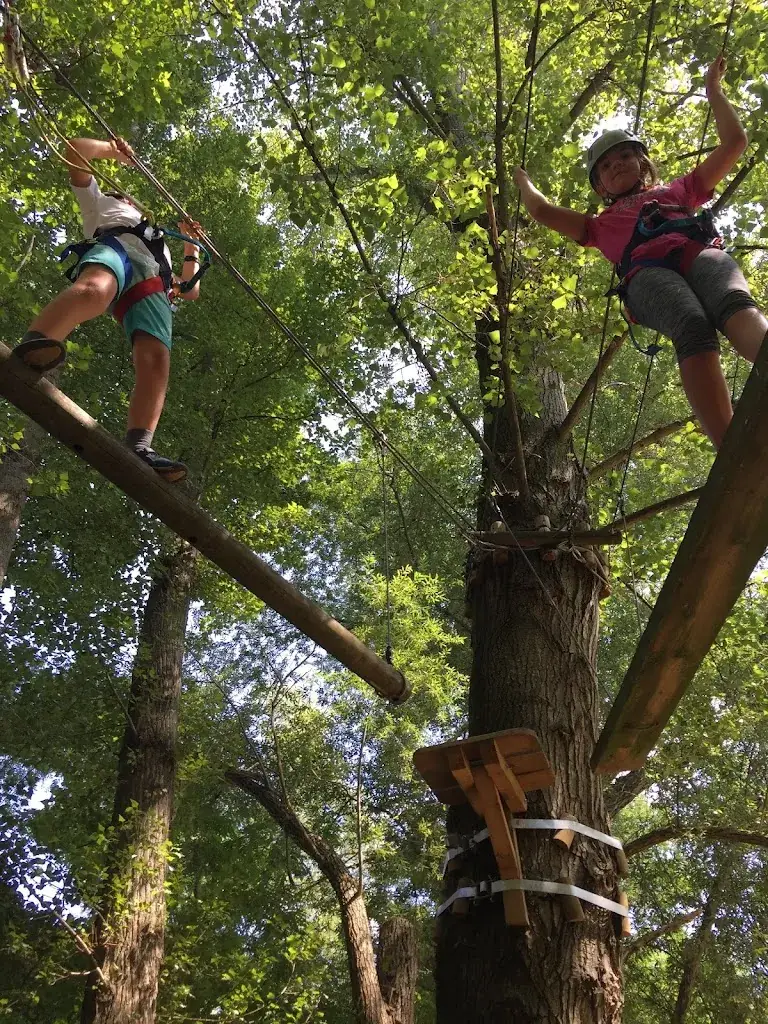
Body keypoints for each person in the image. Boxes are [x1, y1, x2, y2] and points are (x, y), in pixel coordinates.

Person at [514, 56, 767, 449]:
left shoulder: (678, 192)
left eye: (624, 158)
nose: (616, 167)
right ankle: (731, 446)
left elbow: (734, 143)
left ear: (642, 162)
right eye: (606, 167)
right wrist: (523, 180)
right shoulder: (597, 226)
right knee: (691, 325)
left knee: (733, 301)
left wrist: (713, 92)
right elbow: (541, 211)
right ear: (600, 187)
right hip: (647, 275)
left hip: (696, 252)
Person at [13, 136, 204, 482]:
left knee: (157, 361)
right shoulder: (98, 204)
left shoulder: (161, 243)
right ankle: (36, 342)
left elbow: (189, 290)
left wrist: (191, 244)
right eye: (124, 196)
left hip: (154, 282)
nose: (128, 199)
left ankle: (140, 445)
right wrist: (111, 151)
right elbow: (75, 150)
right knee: (93, 291)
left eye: (129, 198)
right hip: (115, 248)